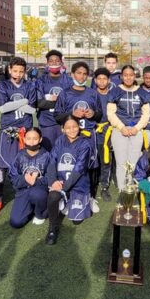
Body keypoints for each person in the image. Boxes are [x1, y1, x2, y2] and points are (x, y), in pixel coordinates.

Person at [0, 57, 37, 218]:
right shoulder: (3, 85)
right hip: (7, 131)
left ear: (25, 72)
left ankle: (26, 195)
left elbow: (32, 110)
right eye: (15, 71)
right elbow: (3, 108)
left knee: (26, 164)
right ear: (9, 70)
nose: (18, 74)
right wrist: (24, 101)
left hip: (26, 131)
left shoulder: (30, 85)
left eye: (21, 71)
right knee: (2, 166)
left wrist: (13, 104)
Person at [54, 62, 102, 209]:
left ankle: (91, 197)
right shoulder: (65, 93)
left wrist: (93, 114)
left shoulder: (93, 93)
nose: (81, 76)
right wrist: (71, 114)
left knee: (91, 166)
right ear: (72, 74)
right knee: (69, 166)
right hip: (71, 136)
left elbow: (99, 115)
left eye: (84, 74)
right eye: (79, 73)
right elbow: (57, 116)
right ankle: (66, 196)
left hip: (88, 136)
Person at [46, 116, 94, 245]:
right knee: (52, 196)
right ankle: (52, 228)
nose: (72, 130)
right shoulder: (60, 140)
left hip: (78, 185)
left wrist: (63, 188)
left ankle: (77, 200)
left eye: (74, 127)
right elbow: (52, 161)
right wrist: (53, 181)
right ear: (62, 129)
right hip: (60, 182)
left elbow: (78, 170)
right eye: (68, 127)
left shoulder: (85, 144)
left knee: (76, 221)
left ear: (79, 127)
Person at [108, 65, 150, 192]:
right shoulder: (115, 91)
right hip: (119, 131)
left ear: (134, 76)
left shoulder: (141, 92)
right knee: (121, 162)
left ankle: (131, 187)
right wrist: (121, 127)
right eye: (125, 75)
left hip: (136, 131)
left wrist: (137, 128)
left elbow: (146, 114)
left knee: (134, 161)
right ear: (121, 76)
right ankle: (122, 190)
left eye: (131, 75)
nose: (128, 77)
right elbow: (110, 113)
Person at [8, 128, 51, 228]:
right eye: (28, 138)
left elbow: (51, 178)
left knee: (37, 194)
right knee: (16, 222)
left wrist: (35, 181)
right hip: (23, 191)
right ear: (24, 139)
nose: (31, 142)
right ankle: (29, 208)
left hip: (40, 191)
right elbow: (12, 177)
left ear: (40, 139)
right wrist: (25, 180)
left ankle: (41, 213)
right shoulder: (19, 156)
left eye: (35, 139)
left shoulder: (47, 155)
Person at [35, 50, 73, 151]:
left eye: (57, 61)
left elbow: (71, 101)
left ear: (61, 62)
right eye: (51, 61)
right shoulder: (41, 81)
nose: (54, 63)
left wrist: (50, 99)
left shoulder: (68, 80)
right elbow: (38, 102)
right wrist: (59, 101)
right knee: (47, 152)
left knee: (65, 152)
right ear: (47, 63)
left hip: (64, 122)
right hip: (46, 123)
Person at [93, 67, 118, 201]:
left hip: (108, 132)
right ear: (95, 80)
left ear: (109, 80)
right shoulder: (91, 94)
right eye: (99, 79)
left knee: (106, 160)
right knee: (93, 160)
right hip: (93, 131)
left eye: (104, 79)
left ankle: (104, 186)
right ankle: (92, 184)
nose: (102, 81)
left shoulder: (113, 95)